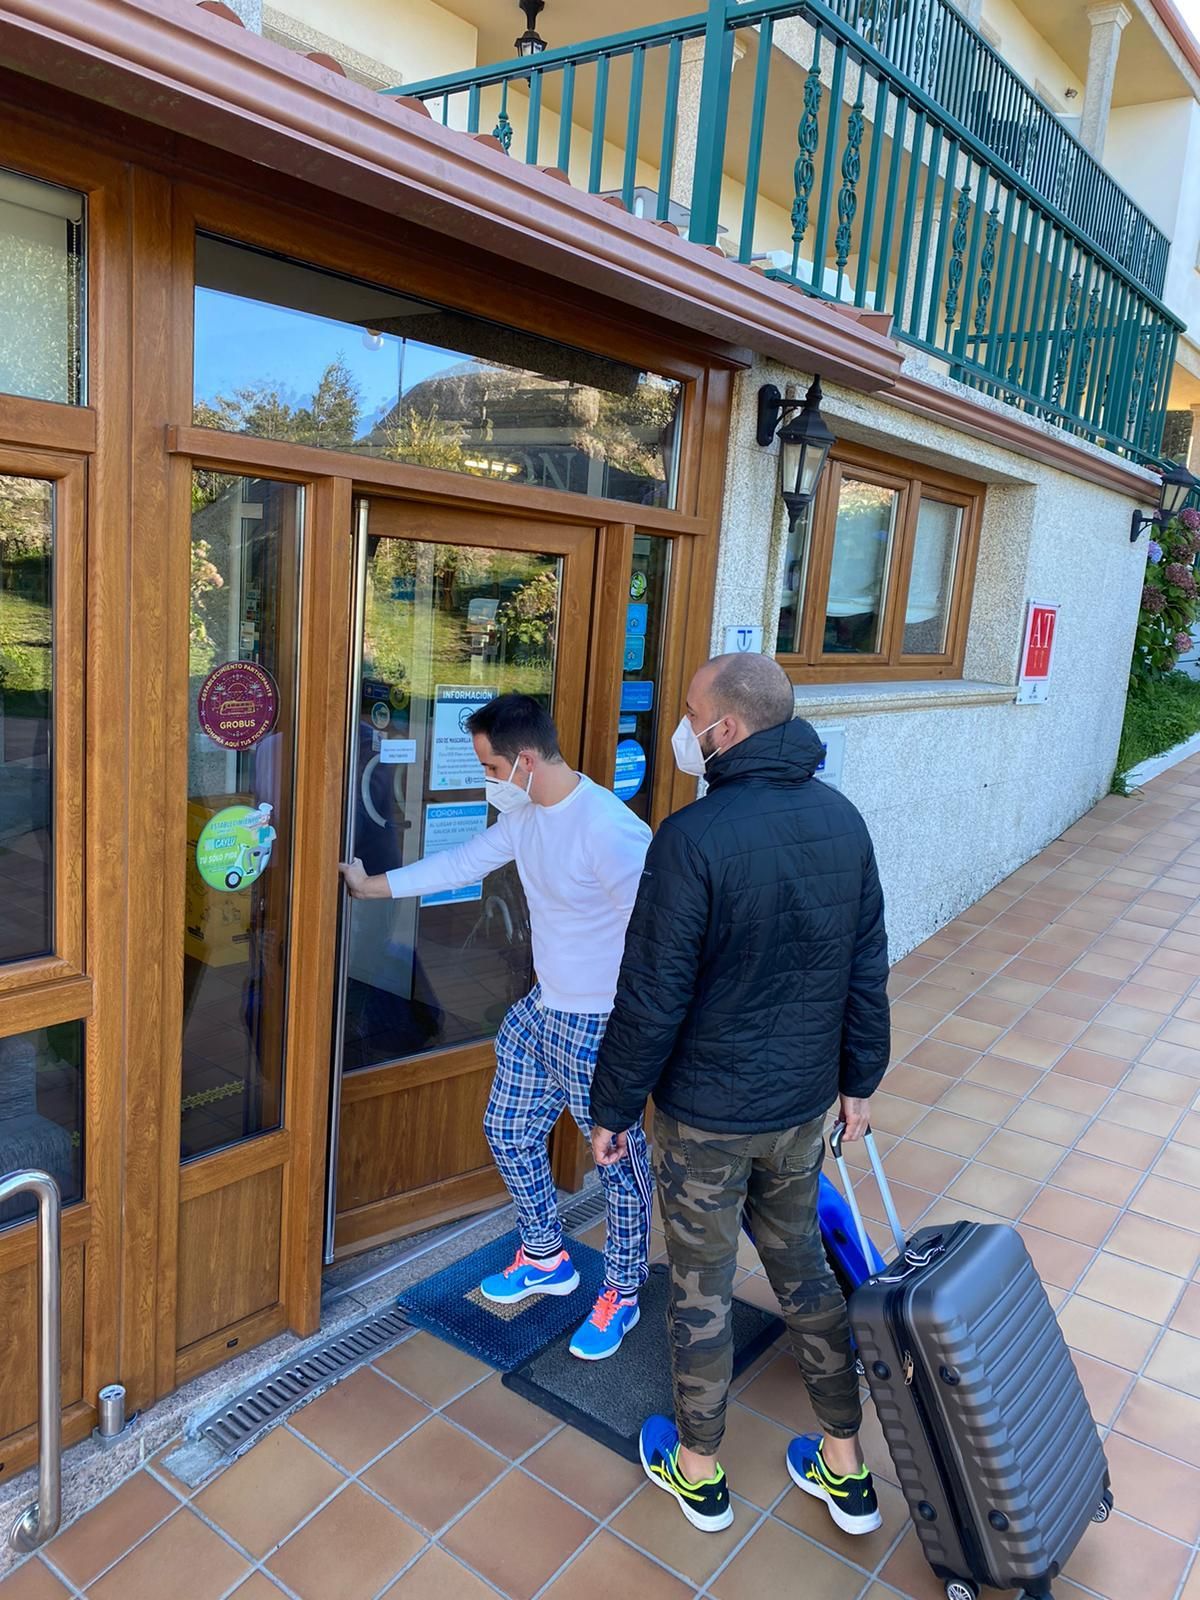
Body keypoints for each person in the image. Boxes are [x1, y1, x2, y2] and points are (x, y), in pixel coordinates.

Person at [589, 652, 891, 1532]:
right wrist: (858, 1082)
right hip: (799, 1108)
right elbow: (863, 967)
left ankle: (699, 1469)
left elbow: (651, 996)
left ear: (724, 731)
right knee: (802, 1268)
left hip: (707, 1120)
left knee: (701, 1283)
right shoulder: (843, 820)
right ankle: (847, 1466)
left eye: (689, 713)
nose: (681, 728)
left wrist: (612, 1108)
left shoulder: (692, 838)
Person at [340, 692, 654, 1360]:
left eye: (490, 767)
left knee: (619, 1163)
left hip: (600, 1022)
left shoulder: (610, 829)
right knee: (509, 1130)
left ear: (527, 760)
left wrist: (638, 1036)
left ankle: (622, 1291)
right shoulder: (530, 817)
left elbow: (661, 937)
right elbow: (460, 863)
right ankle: (545, 1255)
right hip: (544, 1010)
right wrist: (375, 887)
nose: (486, 779)